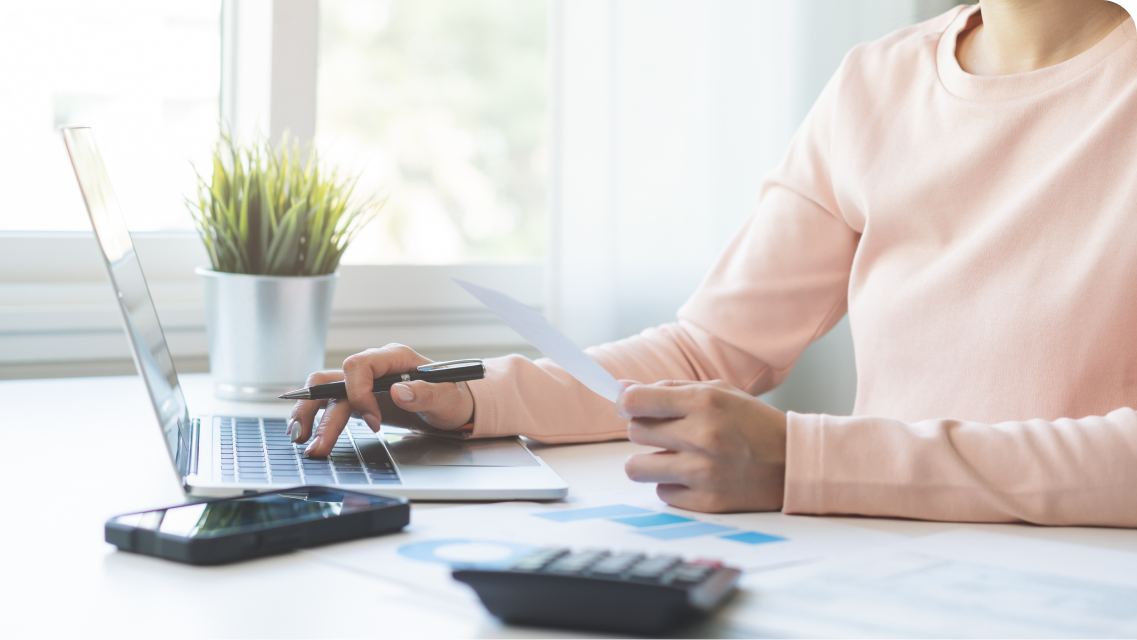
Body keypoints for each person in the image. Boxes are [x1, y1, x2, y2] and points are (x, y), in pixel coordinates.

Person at [289, 0, 1137, 525]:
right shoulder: (876, 84)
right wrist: (470, 395)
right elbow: (709, 351)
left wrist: (809, 462)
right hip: (882, 561)